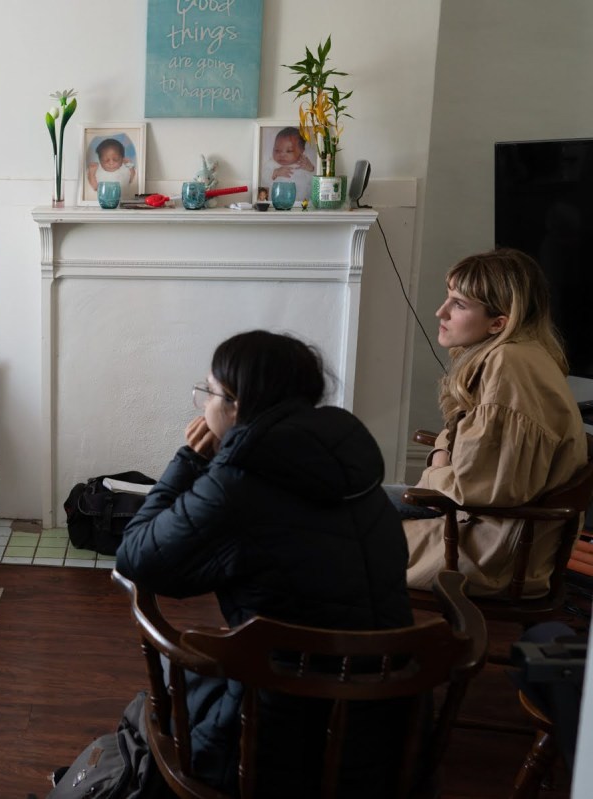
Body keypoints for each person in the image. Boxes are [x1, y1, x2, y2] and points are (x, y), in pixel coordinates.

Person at [114, 330, 413, 794]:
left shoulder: (239, 481)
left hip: (279, 741)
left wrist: (189, 459)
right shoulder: (349, 462)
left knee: (158, 706)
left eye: (208, 392)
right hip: (394, 728)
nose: (202, 405)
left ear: (235, 405)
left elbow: (136, 557)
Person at [398, 248, 586, 597]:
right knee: (346, 502)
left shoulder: (508, 365)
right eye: (448, 297)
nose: (441, 312)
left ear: (499, 323)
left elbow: (477, 490)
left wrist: (440, 461)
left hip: (484, 549)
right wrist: (443, 454)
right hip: (473, 525)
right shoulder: (521, 353)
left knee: (330, 528)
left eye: (459, 304)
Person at [262, 126, 314, 203]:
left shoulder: (304, 163)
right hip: (277, 201)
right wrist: (275, 172)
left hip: (301, 203)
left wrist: (311, 169)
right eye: (277, 150)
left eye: (289, 151)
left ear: (302, 150)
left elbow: (314, 181)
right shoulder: (272, 164)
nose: (282, 155)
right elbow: (263, 177)